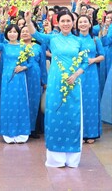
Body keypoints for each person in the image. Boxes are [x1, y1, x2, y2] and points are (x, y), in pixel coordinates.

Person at [26, 10, 89, 168]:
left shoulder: (78, 41)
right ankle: (56, 159)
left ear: (72, 23)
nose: (66, 24)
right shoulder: (52, 38)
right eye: (63, 21)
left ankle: (72, 158)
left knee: (72, 117)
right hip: (55, 82)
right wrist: (28, 20)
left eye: (68, 21)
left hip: (73, 83)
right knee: (55, 114)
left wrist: (76, 75)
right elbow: (36, 35)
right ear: (57, 23)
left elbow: (85, 62)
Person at [0, 22, 31, 144]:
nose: (12, 34)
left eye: (15, 32)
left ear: (18, 34)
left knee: (20, 103)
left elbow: (31, 62)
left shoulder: (24, 47)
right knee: (8, 103)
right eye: (10, 32)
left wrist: (23, 68)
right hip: (7, 78)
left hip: (20, 78)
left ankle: (21, 132)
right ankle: (8, 132)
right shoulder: (4, 46)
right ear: (7, 34)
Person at [77, 15, 103, 143]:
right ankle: (79, 133)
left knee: (91, 101)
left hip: (92, 73)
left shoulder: (95, 39)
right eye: (80, 22)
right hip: (78, 73)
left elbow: (102, 56)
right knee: (78, 101)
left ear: (89, 24)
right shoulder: (74, 40)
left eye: (85, 22)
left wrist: (94, 60)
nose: (82, 24)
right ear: (77, 25)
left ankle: (91, 133)